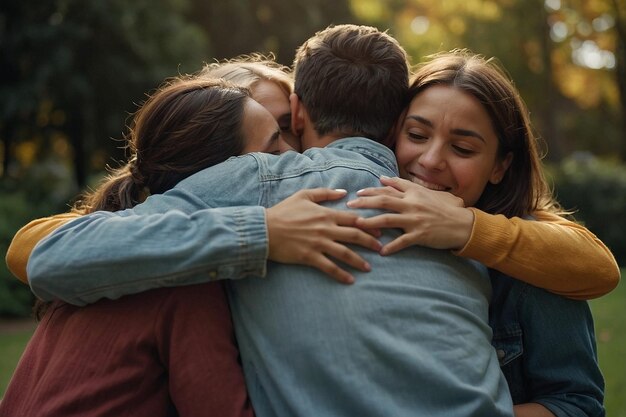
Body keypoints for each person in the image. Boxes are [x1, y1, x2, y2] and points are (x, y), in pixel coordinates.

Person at [24, 24, 516, 416]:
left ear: (297, 112)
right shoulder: (462, 211)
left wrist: (256, 232)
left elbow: (51, 260)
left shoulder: (256, 181)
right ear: (396, 125)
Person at [0, 76, 298, 417]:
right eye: (273, 152)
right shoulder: (184, 279)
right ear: (213, 176)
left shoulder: (103, 259)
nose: (295, 158)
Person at [347, 50, 606, 416]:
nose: (432, 160)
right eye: (417, 134)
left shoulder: (530, 261)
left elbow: (576, 405)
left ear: (500, 165)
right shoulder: (351, 208)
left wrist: (466, 228)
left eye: (463, 148)